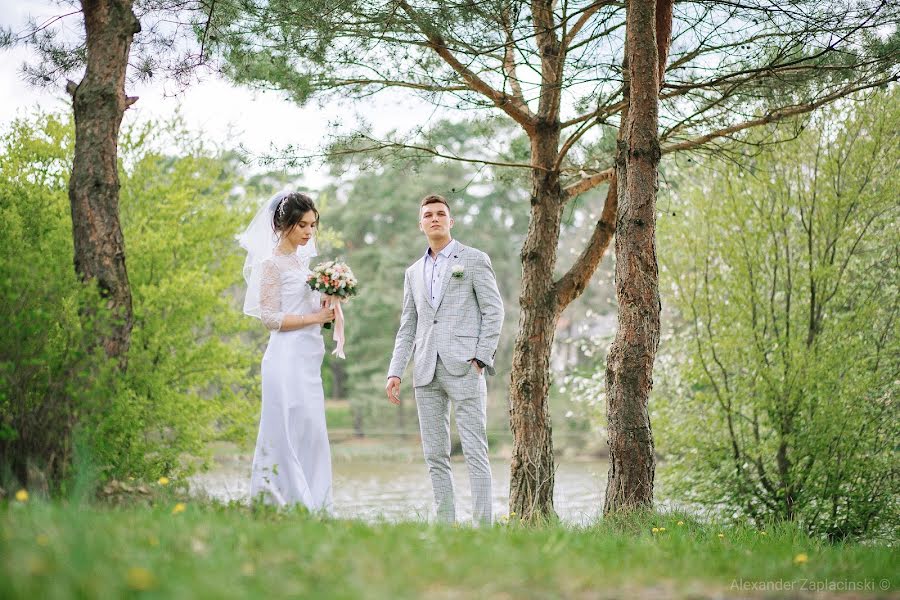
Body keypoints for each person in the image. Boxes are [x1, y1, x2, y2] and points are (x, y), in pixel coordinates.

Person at [386, 194, 504, 525]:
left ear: (450, 221)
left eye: (441, 214)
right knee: (435, 455)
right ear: (421, 224)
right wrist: (395, 372)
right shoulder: (412, 272)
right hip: (425, 371)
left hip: (465, 366)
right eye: (428, 215)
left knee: (474, 450)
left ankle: (484, 527)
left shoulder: (475, 259)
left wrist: (481, 358)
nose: (434, 218)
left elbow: (493, 310)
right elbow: (407, 326)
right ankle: (446, 526)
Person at [238, 191, 335, 511]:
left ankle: (316, 502)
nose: (309, 231)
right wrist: (315, 317)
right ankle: (280, 502)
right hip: (285, 358)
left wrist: (328, 303)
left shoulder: (302, 262)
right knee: (285, 430)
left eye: (312, 225)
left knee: (312, 431)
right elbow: (270, 318)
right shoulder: (271, 264)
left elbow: (301, 303)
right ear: (284, 224)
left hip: (308, 357)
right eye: (302, 225)